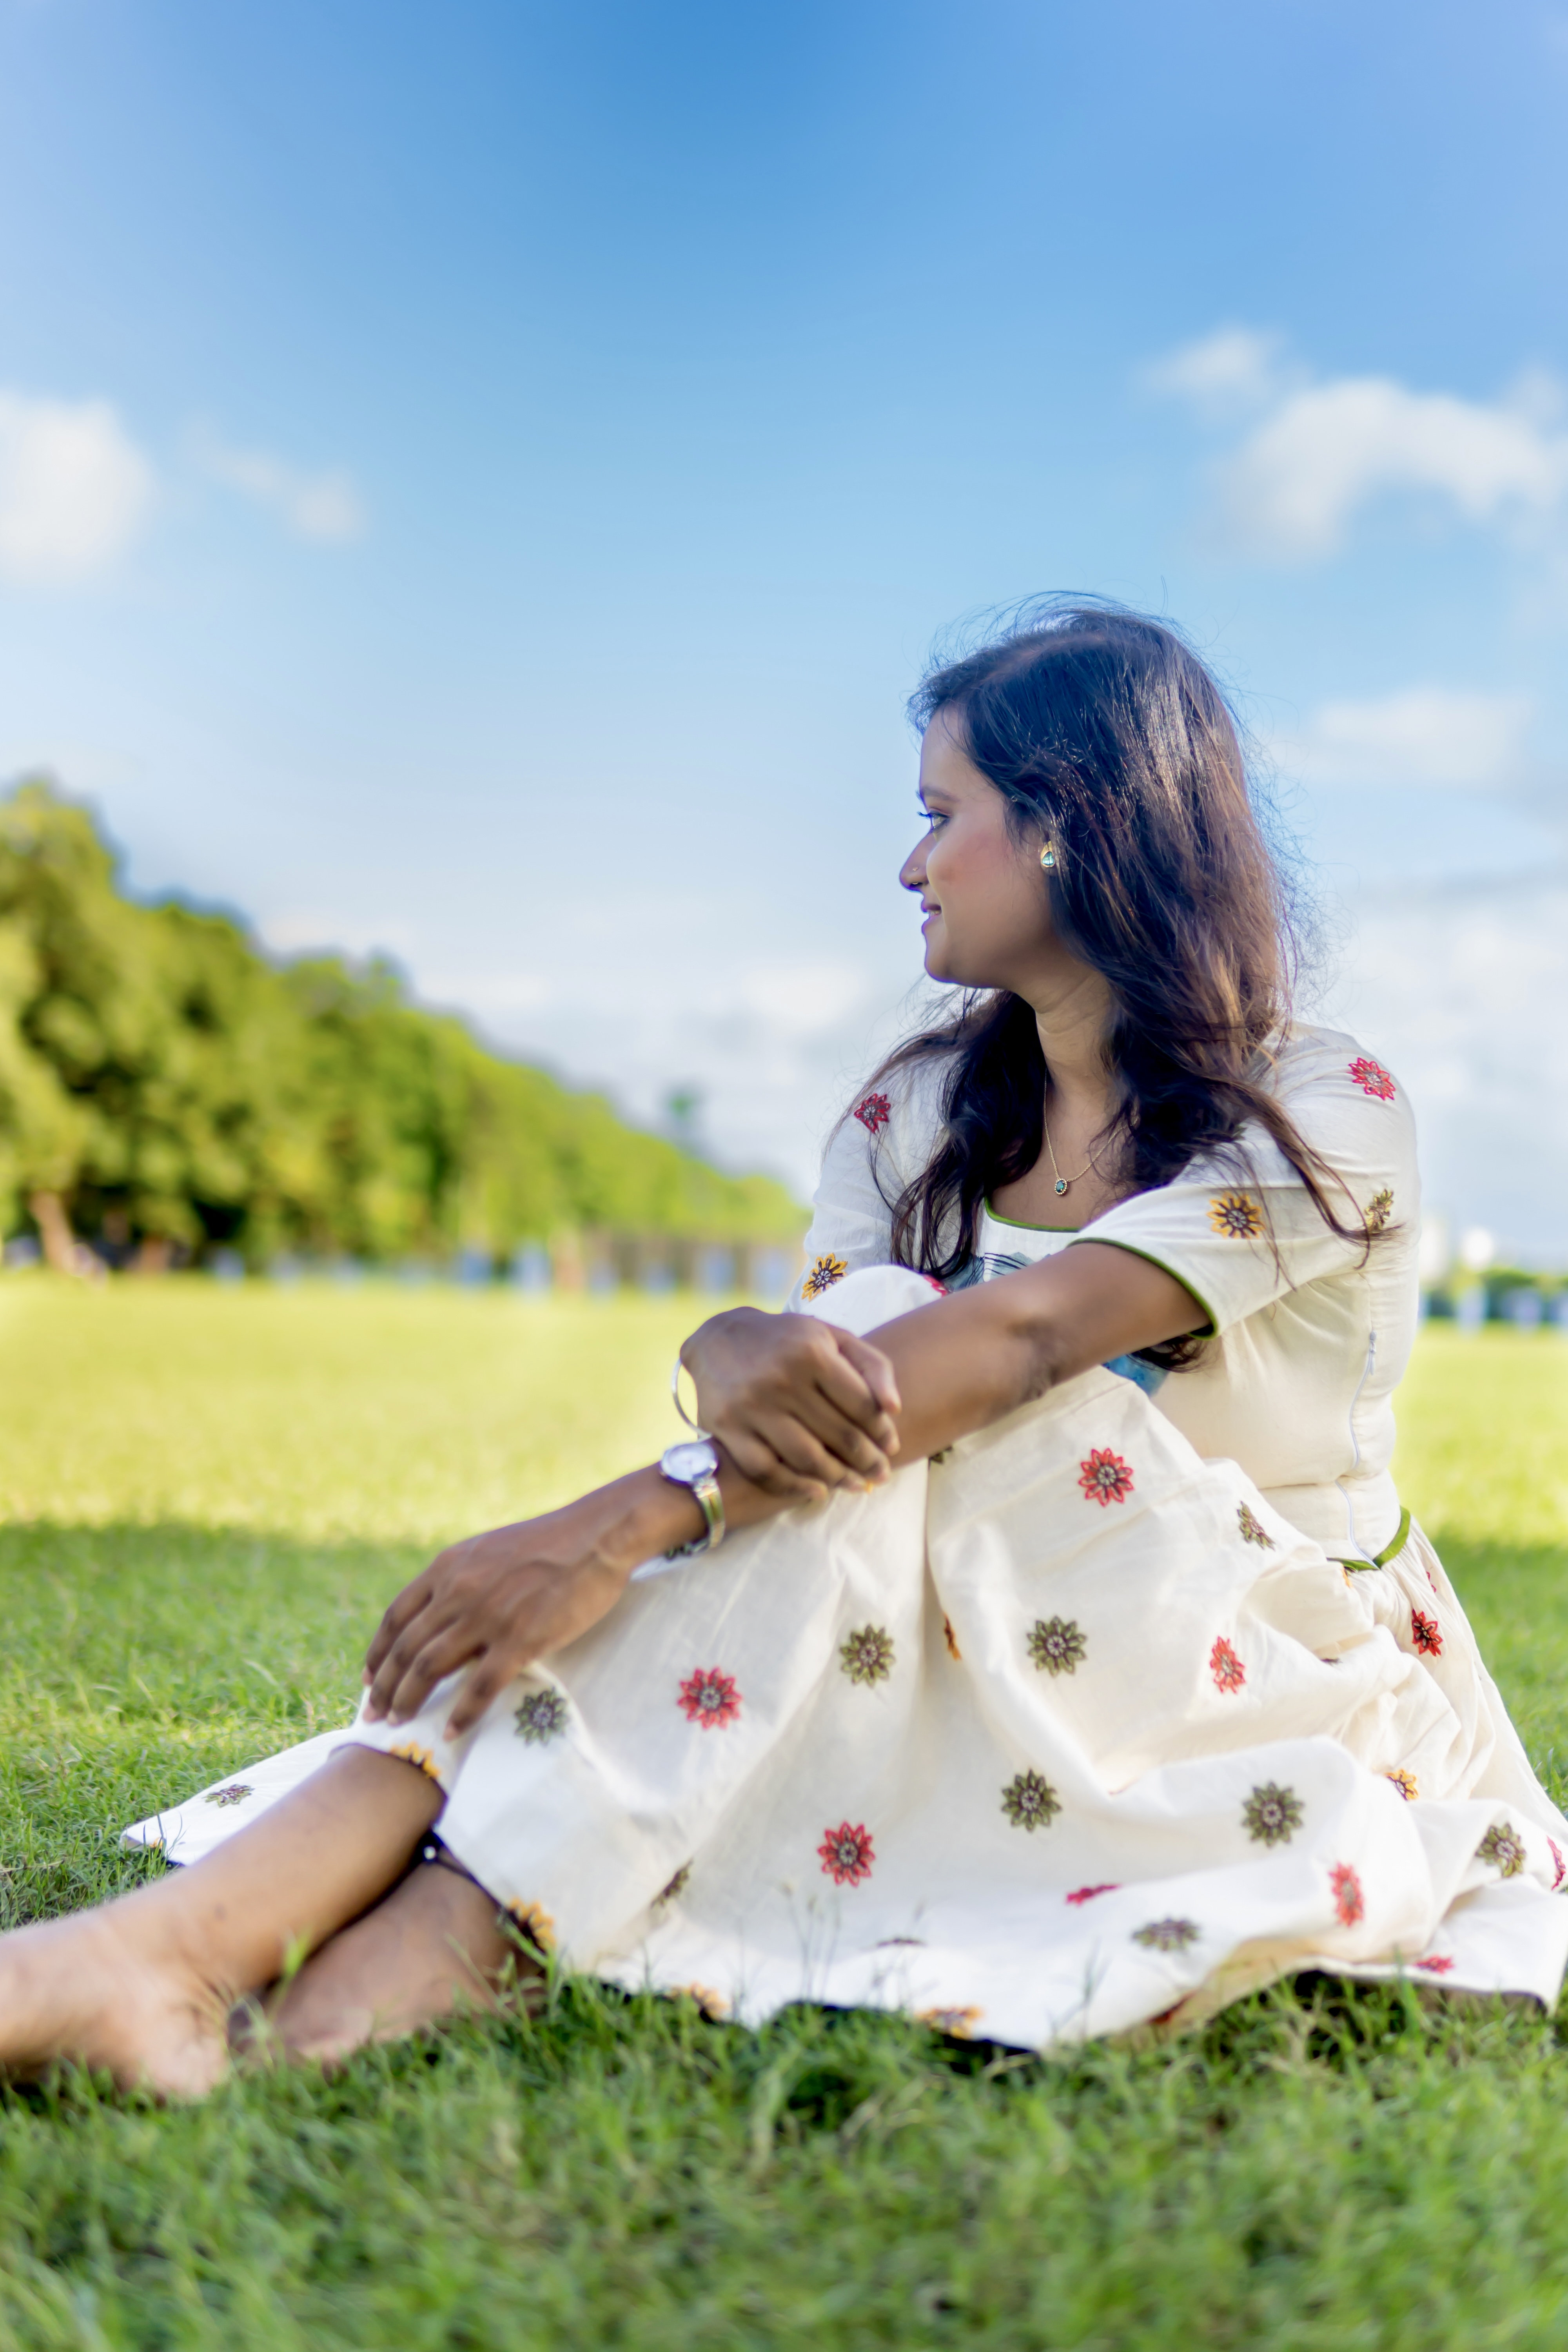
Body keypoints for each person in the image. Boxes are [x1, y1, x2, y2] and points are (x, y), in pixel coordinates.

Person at [6, 601, 1566, 2098]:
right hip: (963, 1638)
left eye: (936, 810)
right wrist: (728, 1344)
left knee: (876, 1368)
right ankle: (230, 1969)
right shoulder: (918, 1111)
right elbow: (809, 1389)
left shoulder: (1318, 1106)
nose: (908, 861)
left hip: (1247, 1678)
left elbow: (1019, 1338)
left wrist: (619, 1521)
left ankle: (212, 1956)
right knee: (842, 1399)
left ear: (1064, 824)